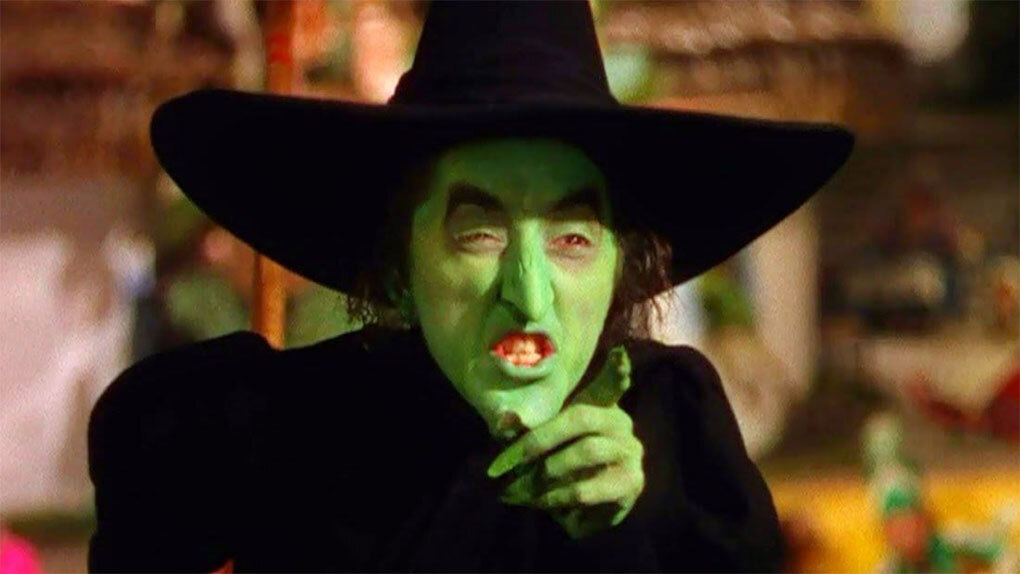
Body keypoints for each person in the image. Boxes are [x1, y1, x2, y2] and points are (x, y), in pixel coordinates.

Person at [87, 2, 853, 572]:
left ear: (621, 267)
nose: (528, 296)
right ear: (399, 266)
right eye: (479, 234)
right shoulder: (285, 429)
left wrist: (628, 532)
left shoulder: (676, 434)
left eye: (572, 239)